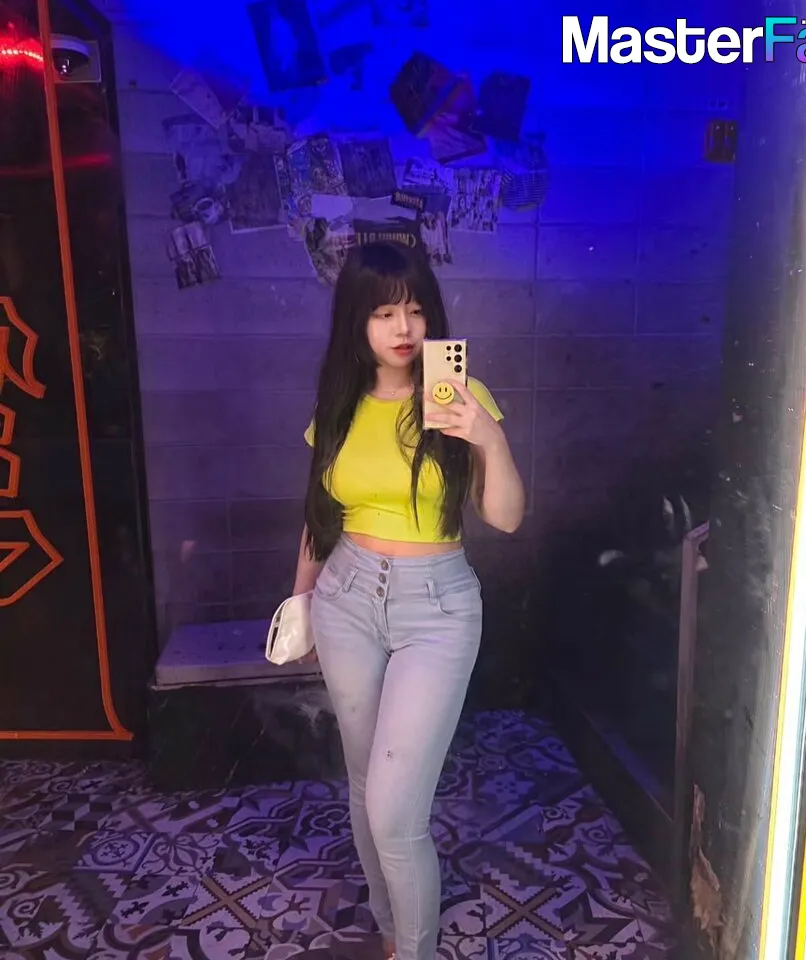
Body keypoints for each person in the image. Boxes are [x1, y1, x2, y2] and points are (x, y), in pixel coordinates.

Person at [292, 241, 525, 960]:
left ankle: (415, 950)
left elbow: (506, 518)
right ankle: (391, 933)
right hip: (345, 598)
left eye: (415, 310)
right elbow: (319, 517)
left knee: (396, 813)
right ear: (356, 321)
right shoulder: (337, 406)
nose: (403, 328)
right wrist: (300, 601)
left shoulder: (462, 398)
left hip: (437, 610)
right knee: (364, 783)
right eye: (384, 313)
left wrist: (487, 438)